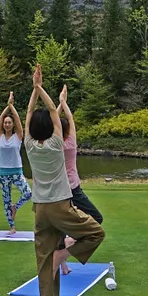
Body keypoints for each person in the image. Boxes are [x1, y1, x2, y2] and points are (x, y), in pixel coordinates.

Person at [25, 66, 105, 296]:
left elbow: (29, 113)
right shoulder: (58, 143)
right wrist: (41, 88)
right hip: (60, 204)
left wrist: (34, 89)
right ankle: (64, 254)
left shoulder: (29, 146)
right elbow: (52, 112)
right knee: (96, 232)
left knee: (43, 260)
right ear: (51, 126)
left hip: (40, 209)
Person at [51, 84, 103, 276]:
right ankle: (68, 249)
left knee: (60, 226)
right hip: (72, 190)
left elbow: (53, 121)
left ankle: (63, 259)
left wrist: (58, 104)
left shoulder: (53, 145)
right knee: (96, 219)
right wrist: (63, 102)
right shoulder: (70, 143)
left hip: (58, 191)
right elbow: (69, 120)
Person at [0, 93, 34, 235]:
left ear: (12, 125)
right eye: (5, 123)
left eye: (9, 122)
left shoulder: (17, 137)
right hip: (3, 173)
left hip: (17, 172)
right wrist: (7, 108)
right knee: (6, 200)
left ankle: (15, 207)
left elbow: (17, 119)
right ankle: (12, 227)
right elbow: (0, 119)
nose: (6, 124)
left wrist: (11, 106)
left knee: (28, 193)